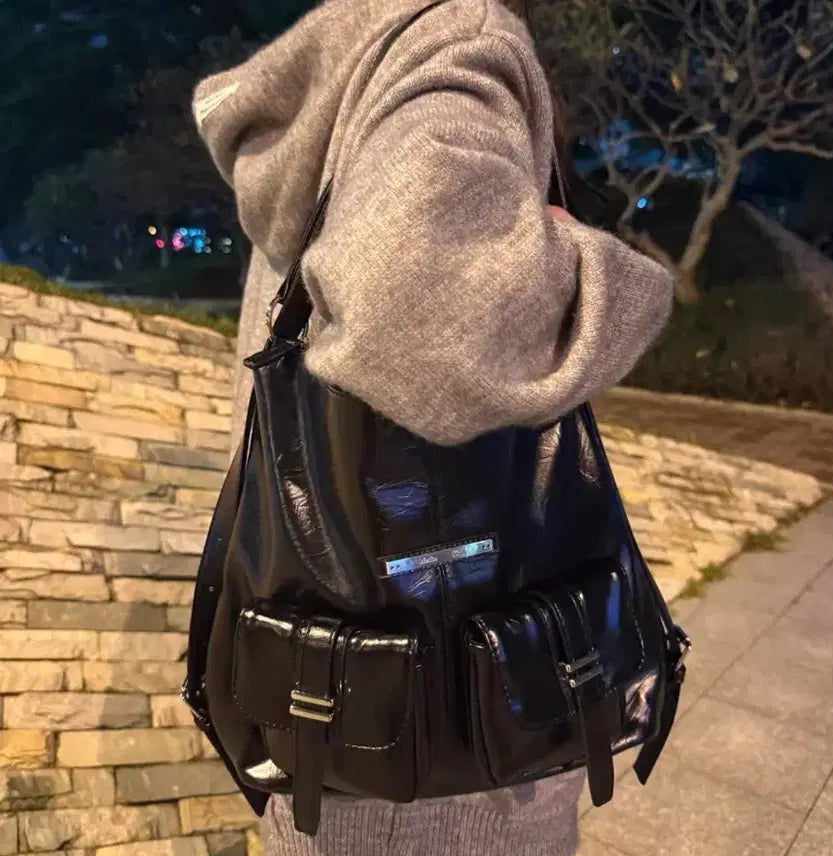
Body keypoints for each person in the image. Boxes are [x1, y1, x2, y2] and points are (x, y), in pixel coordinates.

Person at [193, 0, 674, 853]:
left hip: (336, 706)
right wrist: (611, 277)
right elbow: (414, 304)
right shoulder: (456, 41)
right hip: (456, 781)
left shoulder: (347, 64)